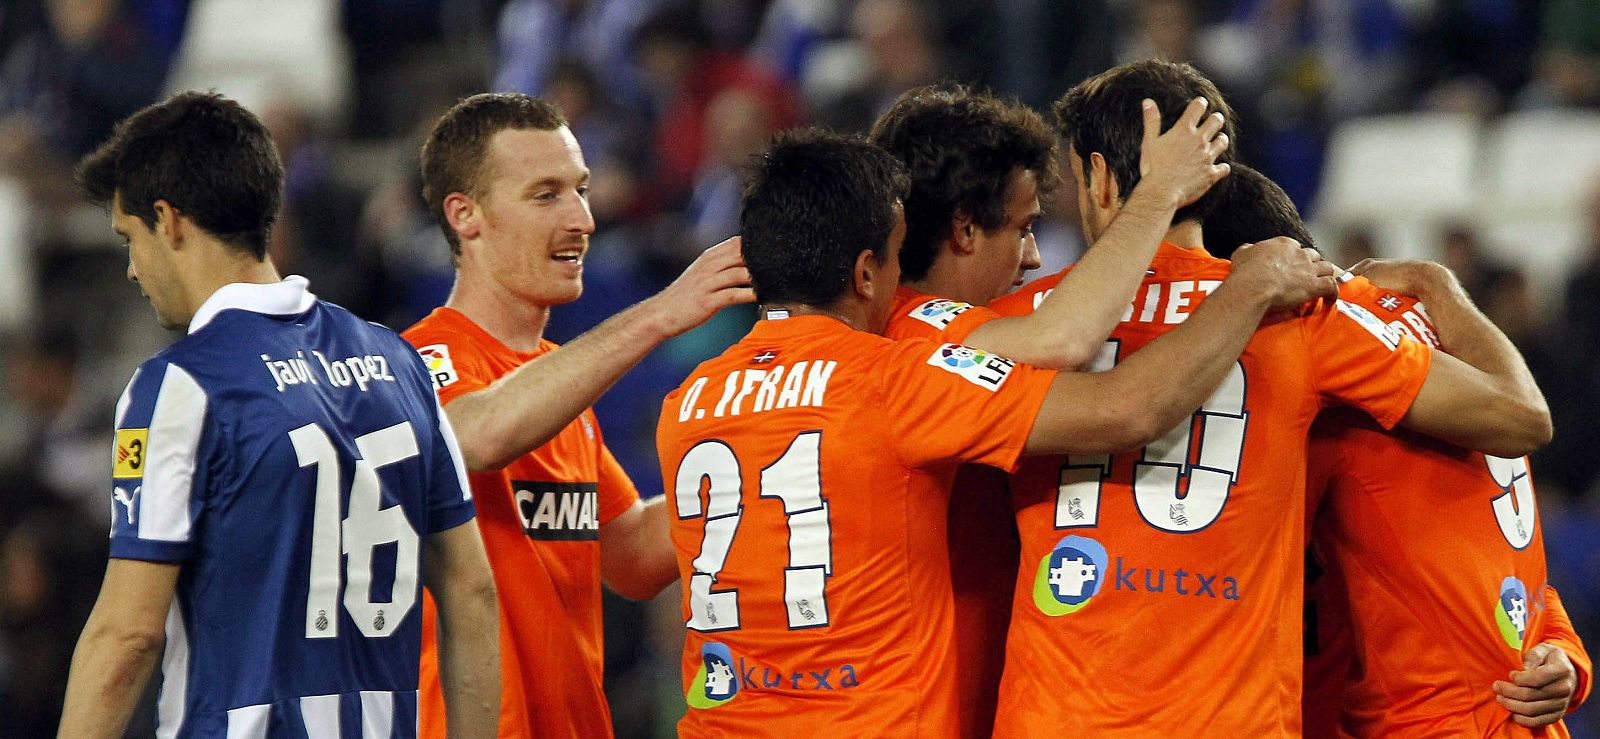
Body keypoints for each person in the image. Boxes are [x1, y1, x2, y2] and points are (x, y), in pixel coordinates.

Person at [656, 128, 1336, 736]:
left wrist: (653, 319)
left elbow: (634, 558)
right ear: (868, 272)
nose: (1035, 255)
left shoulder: (688, 402)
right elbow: (1118, 400)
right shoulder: (904, 372)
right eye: (1022, 227)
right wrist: (1230, 275)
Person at [986, 59, 1553, 737]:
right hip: (1233, 717)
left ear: (1102, 179)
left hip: (1053, 716)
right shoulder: (1302, 312)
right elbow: (1517, 419)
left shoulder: (1013, 328)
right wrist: (1437, 287)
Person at [57, 91, 500, 738]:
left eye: (130, 238)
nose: (131, 269)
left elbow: (127, 635)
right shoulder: (399, 364)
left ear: (169, 220)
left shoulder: (181, 385)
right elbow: (472, 590)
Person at [863, 83, 1240, 737]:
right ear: (964, 229)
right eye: (1024, 227)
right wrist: (1168, 205)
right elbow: (1099, 377)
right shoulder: (920, 335)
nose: (1035, 256)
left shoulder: (869, 345)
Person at [404, 92, 753, 738]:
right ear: (466, 215)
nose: (583, 219)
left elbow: (634, 555)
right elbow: (479, 434)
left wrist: (764, 456)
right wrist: (658, 314)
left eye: (582, 190)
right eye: (547, 195)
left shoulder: (557, 383)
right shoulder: (415, 362)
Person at [1209, 164, 1594, 737]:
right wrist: (1562, 651)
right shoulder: (1435, 334)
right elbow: (1487, 542)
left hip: (1427, 720)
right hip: (1499, 712)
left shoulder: (1315, 361)